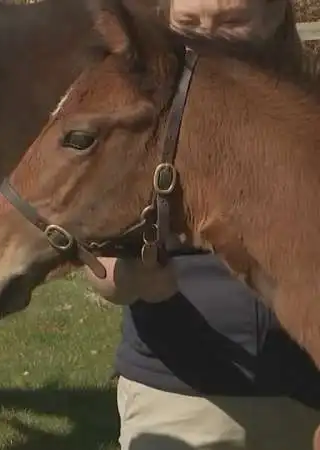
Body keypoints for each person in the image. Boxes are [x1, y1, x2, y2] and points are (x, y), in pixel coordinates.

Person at [84, 1, 320, 449]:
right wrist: (135, 277)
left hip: (307, 397)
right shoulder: (143, 125)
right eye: (187, 24)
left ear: (277, 18)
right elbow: (105, 271)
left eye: (231, 22)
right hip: (184, 401)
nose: (204, 39)